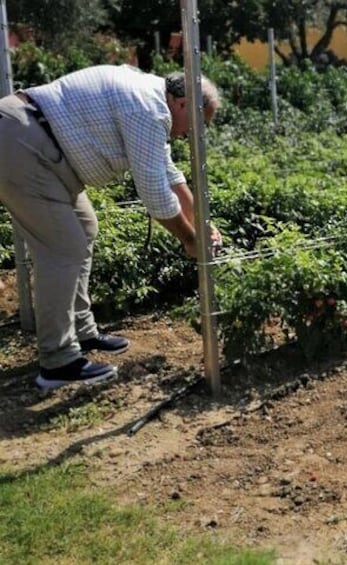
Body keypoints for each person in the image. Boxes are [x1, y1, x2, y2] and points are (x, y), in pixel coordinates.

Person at [0, 65, 221, 390]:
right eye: (198, 126)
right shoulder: (149, 107)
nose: (192, 135)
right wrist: (190, 240)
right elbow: (154, 192)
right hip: (23, 144)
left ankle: (81, 331)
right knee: (63, 248)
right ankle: (58, 361)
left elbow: (169, 173)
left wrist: (203, 224)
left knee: (83, 227)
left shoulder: (153, 99)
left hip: (36, 143)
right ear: (184, 105)